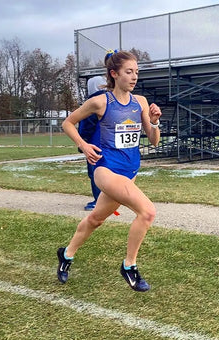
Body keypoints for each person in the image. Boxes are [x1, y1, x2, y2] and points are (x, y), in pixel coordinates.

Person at [58, 50, 162, 292]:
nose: (134, 77)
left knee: (96, 219)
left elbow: (154, 140)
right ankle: (129, 266)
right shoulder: (101, 102)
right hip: (105, 169)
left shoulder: (141, 103)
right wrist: (83, 146)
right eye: (129, 72)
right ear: (114, 74)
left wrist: (155, 121)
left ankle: (66, 254)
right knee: (147, 213)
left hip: (130, 170)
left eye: (136, 72)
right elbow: (67, 123)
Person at [78, 75, 108, 211]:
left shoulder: (92, 103)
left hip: (95, 143)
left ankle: (99, 201)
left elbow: (87, 125)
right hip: (109, 142)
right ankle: (110, 200)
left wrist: (82, 142)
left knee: (95, 172)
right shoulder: (110, 100)